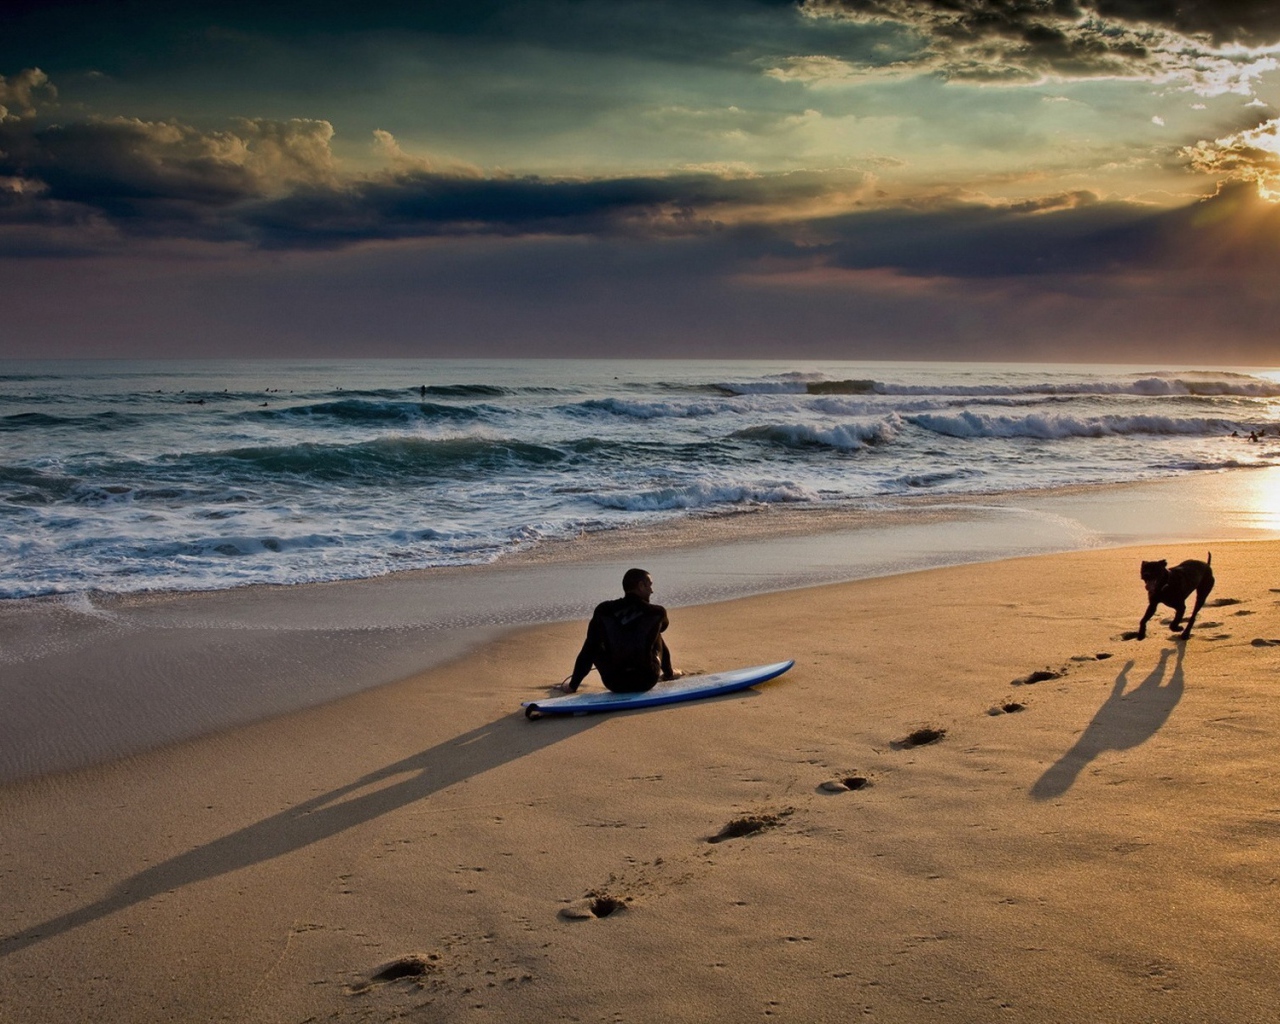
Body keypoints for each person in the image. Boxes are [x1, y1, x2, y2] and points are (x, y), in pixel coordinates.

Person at [556, 568, 680, 693]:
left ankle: (572, 687)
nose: (652, 591)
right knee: (655, 631)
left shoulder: (603, 610)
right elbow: (663, 627)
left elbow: (588, 651)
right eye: (650, 585)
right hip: (646, 680)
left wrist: (573, 685)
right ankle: (669, 674)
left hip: (614, 682)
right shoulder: (656, 612)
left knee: (593, 642)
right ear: (641, 586)